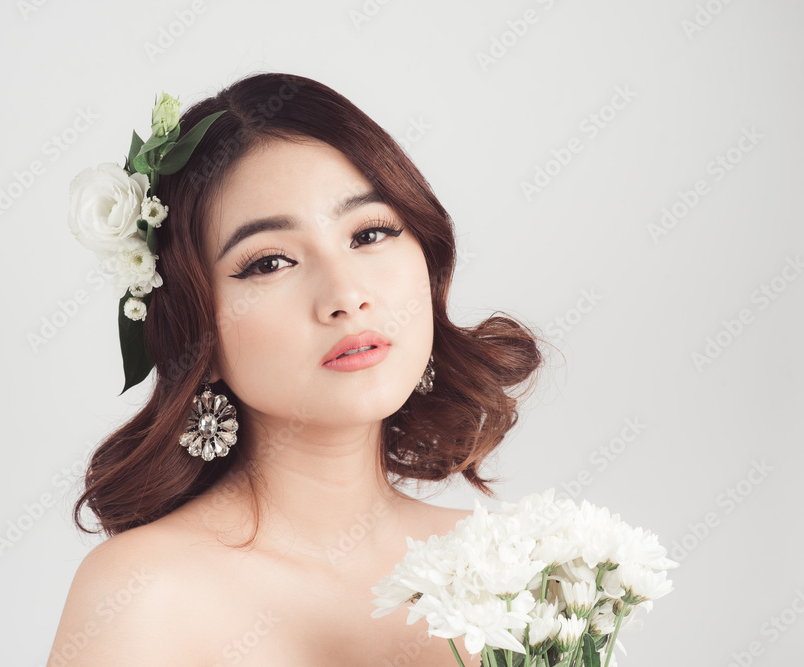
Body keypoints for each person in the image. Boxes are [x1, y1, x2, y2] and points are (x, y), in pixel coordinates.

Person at [46, 72, 544, 666]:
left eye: (371, 233)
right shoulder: (145, 593)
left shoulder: (514, 569)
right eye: (270, 262)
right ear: (193, 328)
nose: (345, 293)